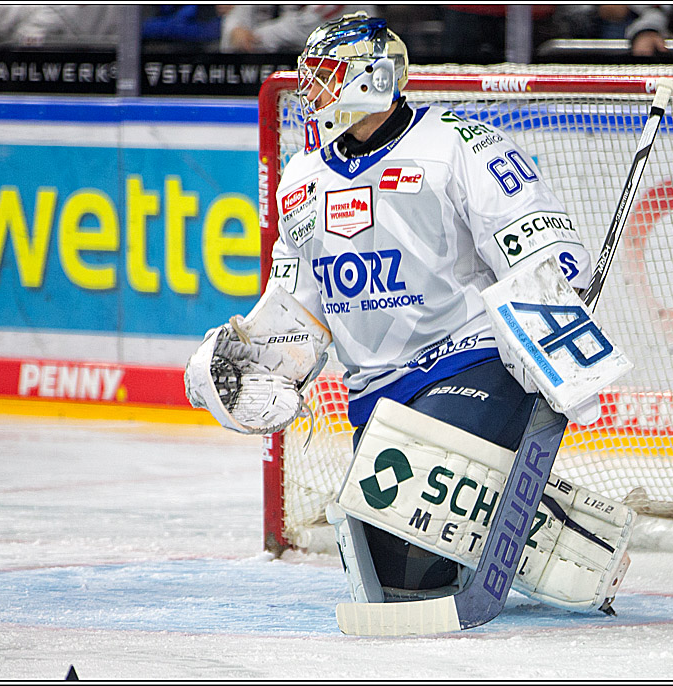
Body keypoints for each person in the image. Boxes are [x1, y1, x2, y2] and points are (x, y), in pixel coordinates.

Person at [185, 13, 632, 620]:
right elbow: (298, 306)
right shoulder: (302, 178)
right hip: (376, 390)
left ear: (372, 77)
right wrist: (252, 357)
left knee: (414, 513)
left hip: (470, 356)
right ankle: (567, 538)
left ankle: (511, 510)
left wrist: (550, 320)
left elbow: (543, 244)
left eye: (325, 75)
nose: (312, 90)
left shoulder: (457, 144)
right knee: (390, 567)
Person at [218, 4, 377, 53]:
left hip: (344, 71)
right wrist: (234, 29)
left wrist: (253, 37)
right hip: (261, 70)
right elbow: (236, 21)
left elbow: (307, 28)